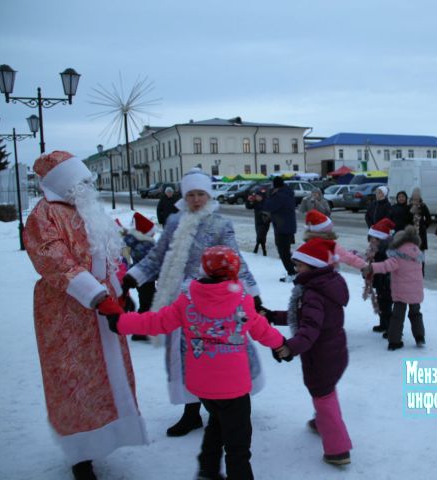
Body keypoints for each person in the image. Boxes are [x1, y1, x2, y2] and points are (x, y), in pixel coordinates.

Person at [101, 246, 285, 480]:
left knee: (217, 423)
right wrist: (281, 344)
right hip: (234, 389)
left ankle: (208, 469)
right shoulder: (242, 301)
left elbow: (156, 322)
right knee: (237, 443)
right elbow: (261, 329)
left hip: (202, 386)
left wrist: (121, 323)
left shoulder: (187, 301)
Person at [23, 151, 147, 480]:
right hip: (66, 312)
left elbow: (108, 255)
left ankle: (109, 435)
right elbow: (54, 261)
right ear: (63, 183)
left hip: (103, 308)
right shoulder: (44, 214)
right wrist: (98, 296)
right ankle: (81, 454)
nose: (87, 186)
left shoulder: (88, 209)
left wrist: (120, 290)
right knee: (74, 379)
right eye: (80, 181)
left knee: (107, 376)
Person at [123, 168, 263, 438]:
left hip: (216, 301)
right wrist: (133, 276)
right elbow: (158, 256)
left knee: (215, 355)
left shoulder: (220, 224)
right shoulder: (175, 222)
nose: (196, 199)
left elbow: (236, 260)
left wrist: (253, 293)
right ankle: (191, 413)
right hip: (182, 302)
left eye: (201, 194)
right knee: (182, 357)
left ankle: (222, 405)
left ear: (209, 195)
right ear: (184, 196)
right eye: (191, 194)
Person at [264, 238, 353, 466]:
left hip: (320, 356)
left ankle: (338, 450)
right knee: (325, 392)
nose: (296, 269)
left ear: (313, 267)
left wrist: (289, 348)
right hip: (334, 351)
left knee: (323, 397)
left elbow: (309, 329)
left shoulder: (313, 293)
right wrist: (273, 316)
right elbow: (304, 316)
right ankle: (322, 421)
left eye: (300, 265)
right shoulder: (325, 285)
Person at [363, 225, 426, 350]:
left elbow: (387, 265)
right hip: (416, 290)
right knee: (416, 313)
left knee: (398, 316)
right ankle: (419, 337)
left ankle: (394, 341)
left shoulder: (398, 254)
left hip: (401, 292)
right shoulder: (417, 253)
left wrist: (373, 267)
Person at [121, 212, 158, 341]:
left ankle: (144, 329)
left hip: (143, 279)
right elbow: (152, 263)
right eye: (152, 232)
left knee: (148, 303)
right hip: (145, 279)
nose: (154, 234)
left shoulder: (139, 242)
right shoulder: (145, 245)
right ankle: (140, 331)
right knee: (147, 304)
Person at [364, 218, 396, 337]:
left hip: (387, 282)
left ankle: (392, 328)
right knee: (381, 303)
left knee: (386, 305)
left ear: (381, 239)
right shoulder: (374, 248)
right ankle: (383, 324)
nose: (371, 240)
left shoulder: (387, 250)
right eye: (370, 238)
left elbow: (387, 265)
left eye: (374, 238)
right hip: (379, 280)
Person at [264, 176, 298, 282]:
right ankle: (297, 269)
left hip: (282, 227)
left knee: (283, 252)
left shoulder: (280, 195)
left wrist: (269, 195)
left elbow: (268, 206)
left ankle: (292, 273)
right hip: (287, 226)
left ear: (275, 186)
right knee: (286, 251)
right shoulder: (287, 192)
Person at [409, 187, 432, 275]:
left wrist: (424, 226)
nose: (415, 200)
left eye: (417, 198)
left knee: (421, 252)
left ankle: (421, 270)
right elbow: (407, 218)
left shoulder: (423, 206)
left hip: (421, 233)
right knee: (411, 252)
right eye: (414, 198)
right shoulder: (409, 206)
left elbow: (429, 218)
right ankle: (412, 270)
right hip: (411, 234)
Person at [250, 188, 270, 256]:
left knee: (260, 236)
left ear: (262, 196)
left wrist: (262, 213)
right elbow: (249, 206)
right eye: (256, 196)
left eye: (258, 196)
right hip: (257, 222)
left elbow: (268, 212)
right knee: (261, 236)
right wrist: (249, 201)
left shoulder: (267, 202)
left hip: (265, 222)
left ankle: (256, 248)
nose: (257, 197)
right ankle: (264, 251)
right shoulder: (255, 202)